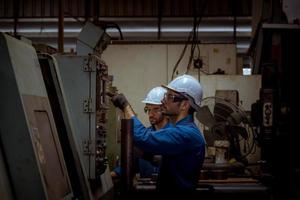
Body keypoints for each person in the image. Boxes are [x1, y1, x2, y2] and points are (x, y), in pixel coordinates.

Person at [110, 74, 205, 198]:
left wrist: (125, 106)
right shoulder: (183, 131)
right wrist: (148, 156)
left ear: (184, 105)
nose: (164, 101)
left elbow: (143, 137)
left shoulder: (185, 133)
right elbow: (173, 162)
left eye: (170, 97)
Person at [137, 86, 170, 178]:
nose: (150, 114)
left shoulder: (175, 135)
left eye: (155, 109)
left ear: (165, 109)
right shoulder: (144, 136)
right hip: (144, 189)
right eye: (148, 110)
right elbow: (131, 164)